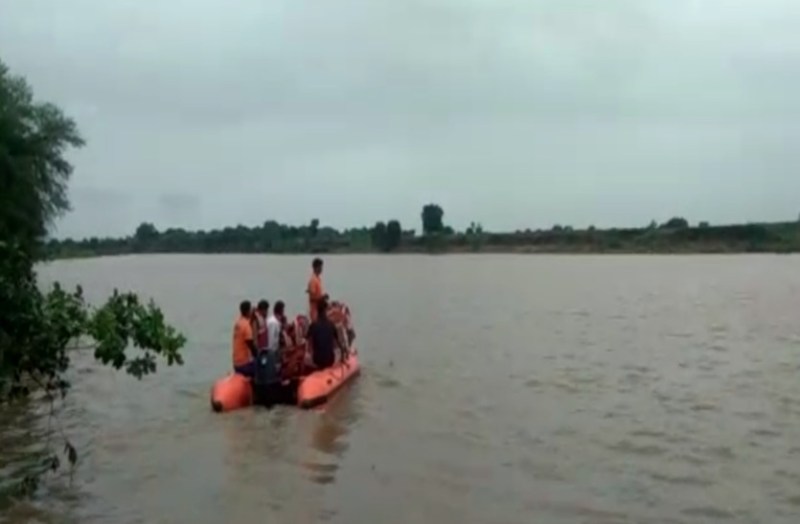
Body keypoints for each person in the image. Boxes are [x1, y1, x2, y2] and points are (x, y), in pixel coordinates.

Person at [306, 300, 343, 370]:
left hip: (317, 361)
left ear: (317, 310)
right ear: (326, 310)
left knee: (305, 357)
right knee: (338, 352)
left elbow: (308, 342)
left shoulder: (313, 325)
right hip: (330, 361)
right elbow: (338, 343)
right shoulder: (331, 324)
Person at [232, 300, 257, 377]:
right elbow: (251, 344)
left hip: (236, 363)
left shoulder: (238, 322)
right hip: (244, 364)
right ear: (248, 311)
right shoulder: (246, 326)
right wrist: (258, 355)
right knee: (261, 366)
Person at [306, 258, 329, 322]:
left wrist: (323, 297)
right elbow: (312, 298)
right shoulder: (313, 280)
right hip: (315, 310)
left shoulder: (318, 279)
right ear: (316, 268)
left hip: (320, 309)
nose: (321, 269)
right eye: (320, 267)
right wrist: (322, 297)